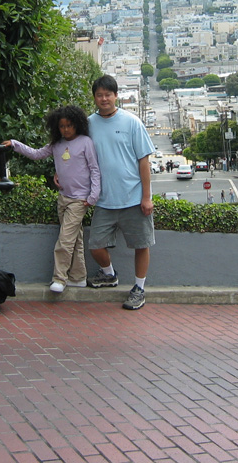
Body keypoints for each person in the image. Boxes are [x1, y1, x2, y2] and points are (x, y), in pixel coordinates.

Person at [4, 105, 100, 293]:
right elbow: (36, 154)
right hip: (63, 198)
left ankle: (59, 279)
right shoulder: (56, 145)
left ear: (77, 125)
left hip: (80, 200)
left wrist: (93, 196)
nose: (65, 129)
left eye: (69, 125)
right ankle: (78, 277)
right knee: (76, 239)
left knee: (64, 240)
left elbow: (94, 170)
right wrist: (15, 144)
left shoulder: (85, 142)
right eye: (62, 126)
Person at [86, 75, 155, 310]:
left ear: (116, 96)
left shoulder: (132, 122)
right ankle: (109, 274)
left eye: (108, 94)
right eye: (99, 95)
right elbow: (76, 154)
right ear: (94, 97)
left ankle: (139, 288)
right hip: (104, 200)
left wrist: (147, 197)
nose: (104, 99)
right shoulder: (88, 125)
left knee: (141, 245)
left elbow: (143, 161)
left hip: (133, 198)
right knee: (95, 244)